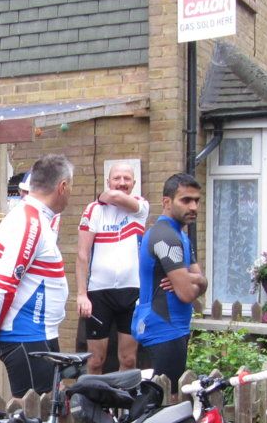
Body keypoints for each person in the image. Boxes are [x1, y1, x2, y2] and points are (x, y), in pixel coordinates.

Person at [0, 155, 73, 397]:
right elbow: (3, 287)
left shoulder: (38, 219)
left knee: (52, 415)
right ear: (62, 187)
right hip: (26, 336)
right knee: (36, 421)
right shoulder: (29, 224)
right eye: (71, 186)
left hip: (40, 333)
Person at [131, 173, 207, 389]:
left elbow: (199, 283)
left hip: (174, 328)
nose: (193, 207)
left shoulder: (181, 236)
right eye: (185, 200)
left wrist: (195, 279)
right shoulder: (165, 236)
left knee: (164, 401)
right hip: (162, 330)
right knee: (162, 405)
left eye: (197, 200)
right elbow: (187, 294)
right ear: (167, 202)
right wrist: (196, 281)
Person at [76, 161, 148, 373]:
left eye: (127, 178)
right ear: (108, 181)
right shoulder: (94, 210)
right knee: (96, 360)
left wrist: (104, 194)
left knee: (128, 359)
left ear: (134, 183)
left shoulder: (140, 206)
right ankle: (94, 406)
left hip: (132, 291)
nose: (122, 183)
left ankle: (125, 406)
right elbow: (82, 254)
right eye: (117, 178)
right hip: (99, 292)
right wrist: (81, 294)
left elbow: (115, 197)